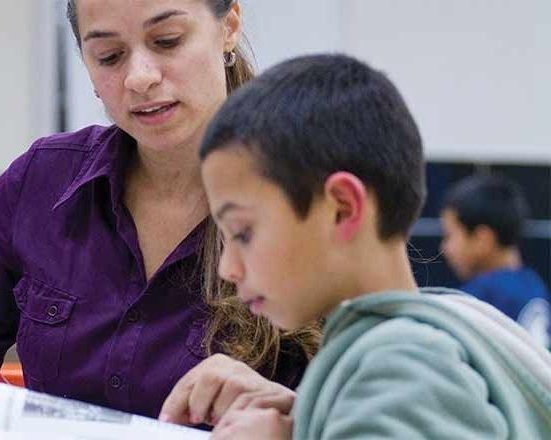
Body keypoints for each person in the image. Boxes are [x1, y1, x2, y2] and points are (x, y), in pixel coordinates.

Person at [0, 0, 318, 419]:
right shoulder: (41, 183)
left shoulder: (307, 195)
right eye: (109, 56)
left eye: (167, 41)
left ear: (228, 26)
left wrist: (293, 415)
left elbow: (376, 402)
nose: (139, 78)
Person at [159, 54, 551, 438]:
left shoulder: (401, 367)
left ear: (343, 209)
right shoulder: (411, 346)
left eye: (242, 233)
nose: (228, 267)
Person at [441, 174, 550, 348]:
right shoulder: (533, 284)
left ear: (482, 239)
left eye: (450, 236)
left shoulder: (479, 297)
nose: (445, 249)